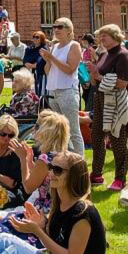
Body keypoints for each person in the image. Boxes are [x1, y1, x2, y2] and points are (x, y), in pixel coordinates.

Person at [0, 152, 107, 254]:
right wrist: (42, 225)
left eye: (57, 170)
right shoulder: (60, 203)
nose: (50, 173)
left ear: (74, 176)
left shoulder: (83, 213)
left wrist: (38, 231)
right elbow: (58, 244)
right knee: (4, 239)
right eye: (50, 167)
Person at [86, 24, 128, 191]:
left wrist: (99, 75)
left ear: (115, 36)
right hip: (101, 99)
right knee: (96, 135)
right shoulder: (104, 54)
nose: (101, 39)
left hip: (118, 101)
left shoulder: (123, 55)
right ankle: (97, 174)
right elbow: (95, 81)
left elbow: (122, 84)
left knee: (118, 138)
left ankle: (120, 178)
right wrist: (93, 73)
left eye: (104, 36)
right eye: (100, 36)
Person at [41, 18, 84, 156]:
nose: (56, 29)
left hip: (67, 91)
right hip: (53, 90)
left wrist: (52, 59)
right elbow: (47, 71)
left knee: (72, 129)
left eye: (60, 26)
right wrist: (48, 60)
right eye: (55, 27)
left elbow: (70, 69)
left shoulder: (74, 45)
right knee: (59, 129)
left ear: (68, 29)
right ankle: (63, 158)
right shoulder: (54, 47)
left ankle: (79, 161)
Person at [0, 114, 29, 209]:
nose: (6, 138)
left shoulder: (16, 153)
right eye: (3, 134)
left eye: (11, 135)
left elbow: (11, 184)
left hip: (11, 194)